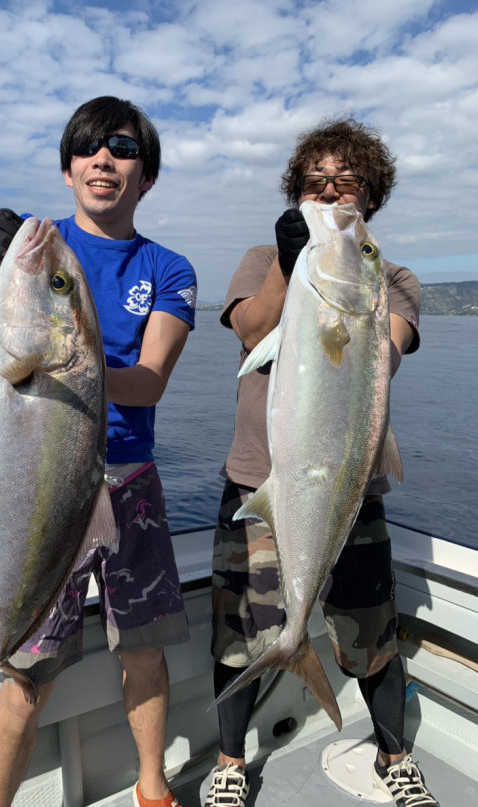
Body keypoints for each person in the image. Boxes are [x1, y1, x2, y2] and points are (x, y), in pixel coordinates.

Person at [206, 119, 440, 807]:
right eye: (317, 180)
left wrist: (346, 274)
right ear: (295, 190)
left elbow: (385, 350)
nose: (332, 190)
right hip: (258, 483)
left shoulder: (388, 277)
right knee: (238, 634)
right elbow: (251, 329)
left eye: (349, 181)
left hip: (349, 488)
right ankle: (228, 763)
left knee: (370, 636)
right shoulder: (261, 258)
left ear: (371, 198)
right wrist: (288, 262)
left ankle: (393, 757)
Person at [0, 96, 197, 807]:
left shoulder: (168, 268)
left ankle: (152, 784)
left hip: (130, 483)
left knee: (144, 648)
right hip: (45, 486)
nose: (105, 159)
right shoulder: (32, 251)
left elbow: (150, 382)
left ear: (146, 175)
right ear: (69, 169)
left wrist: (74, 361)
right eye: (89, 147)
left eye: (123, 149)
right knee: (24, 672)